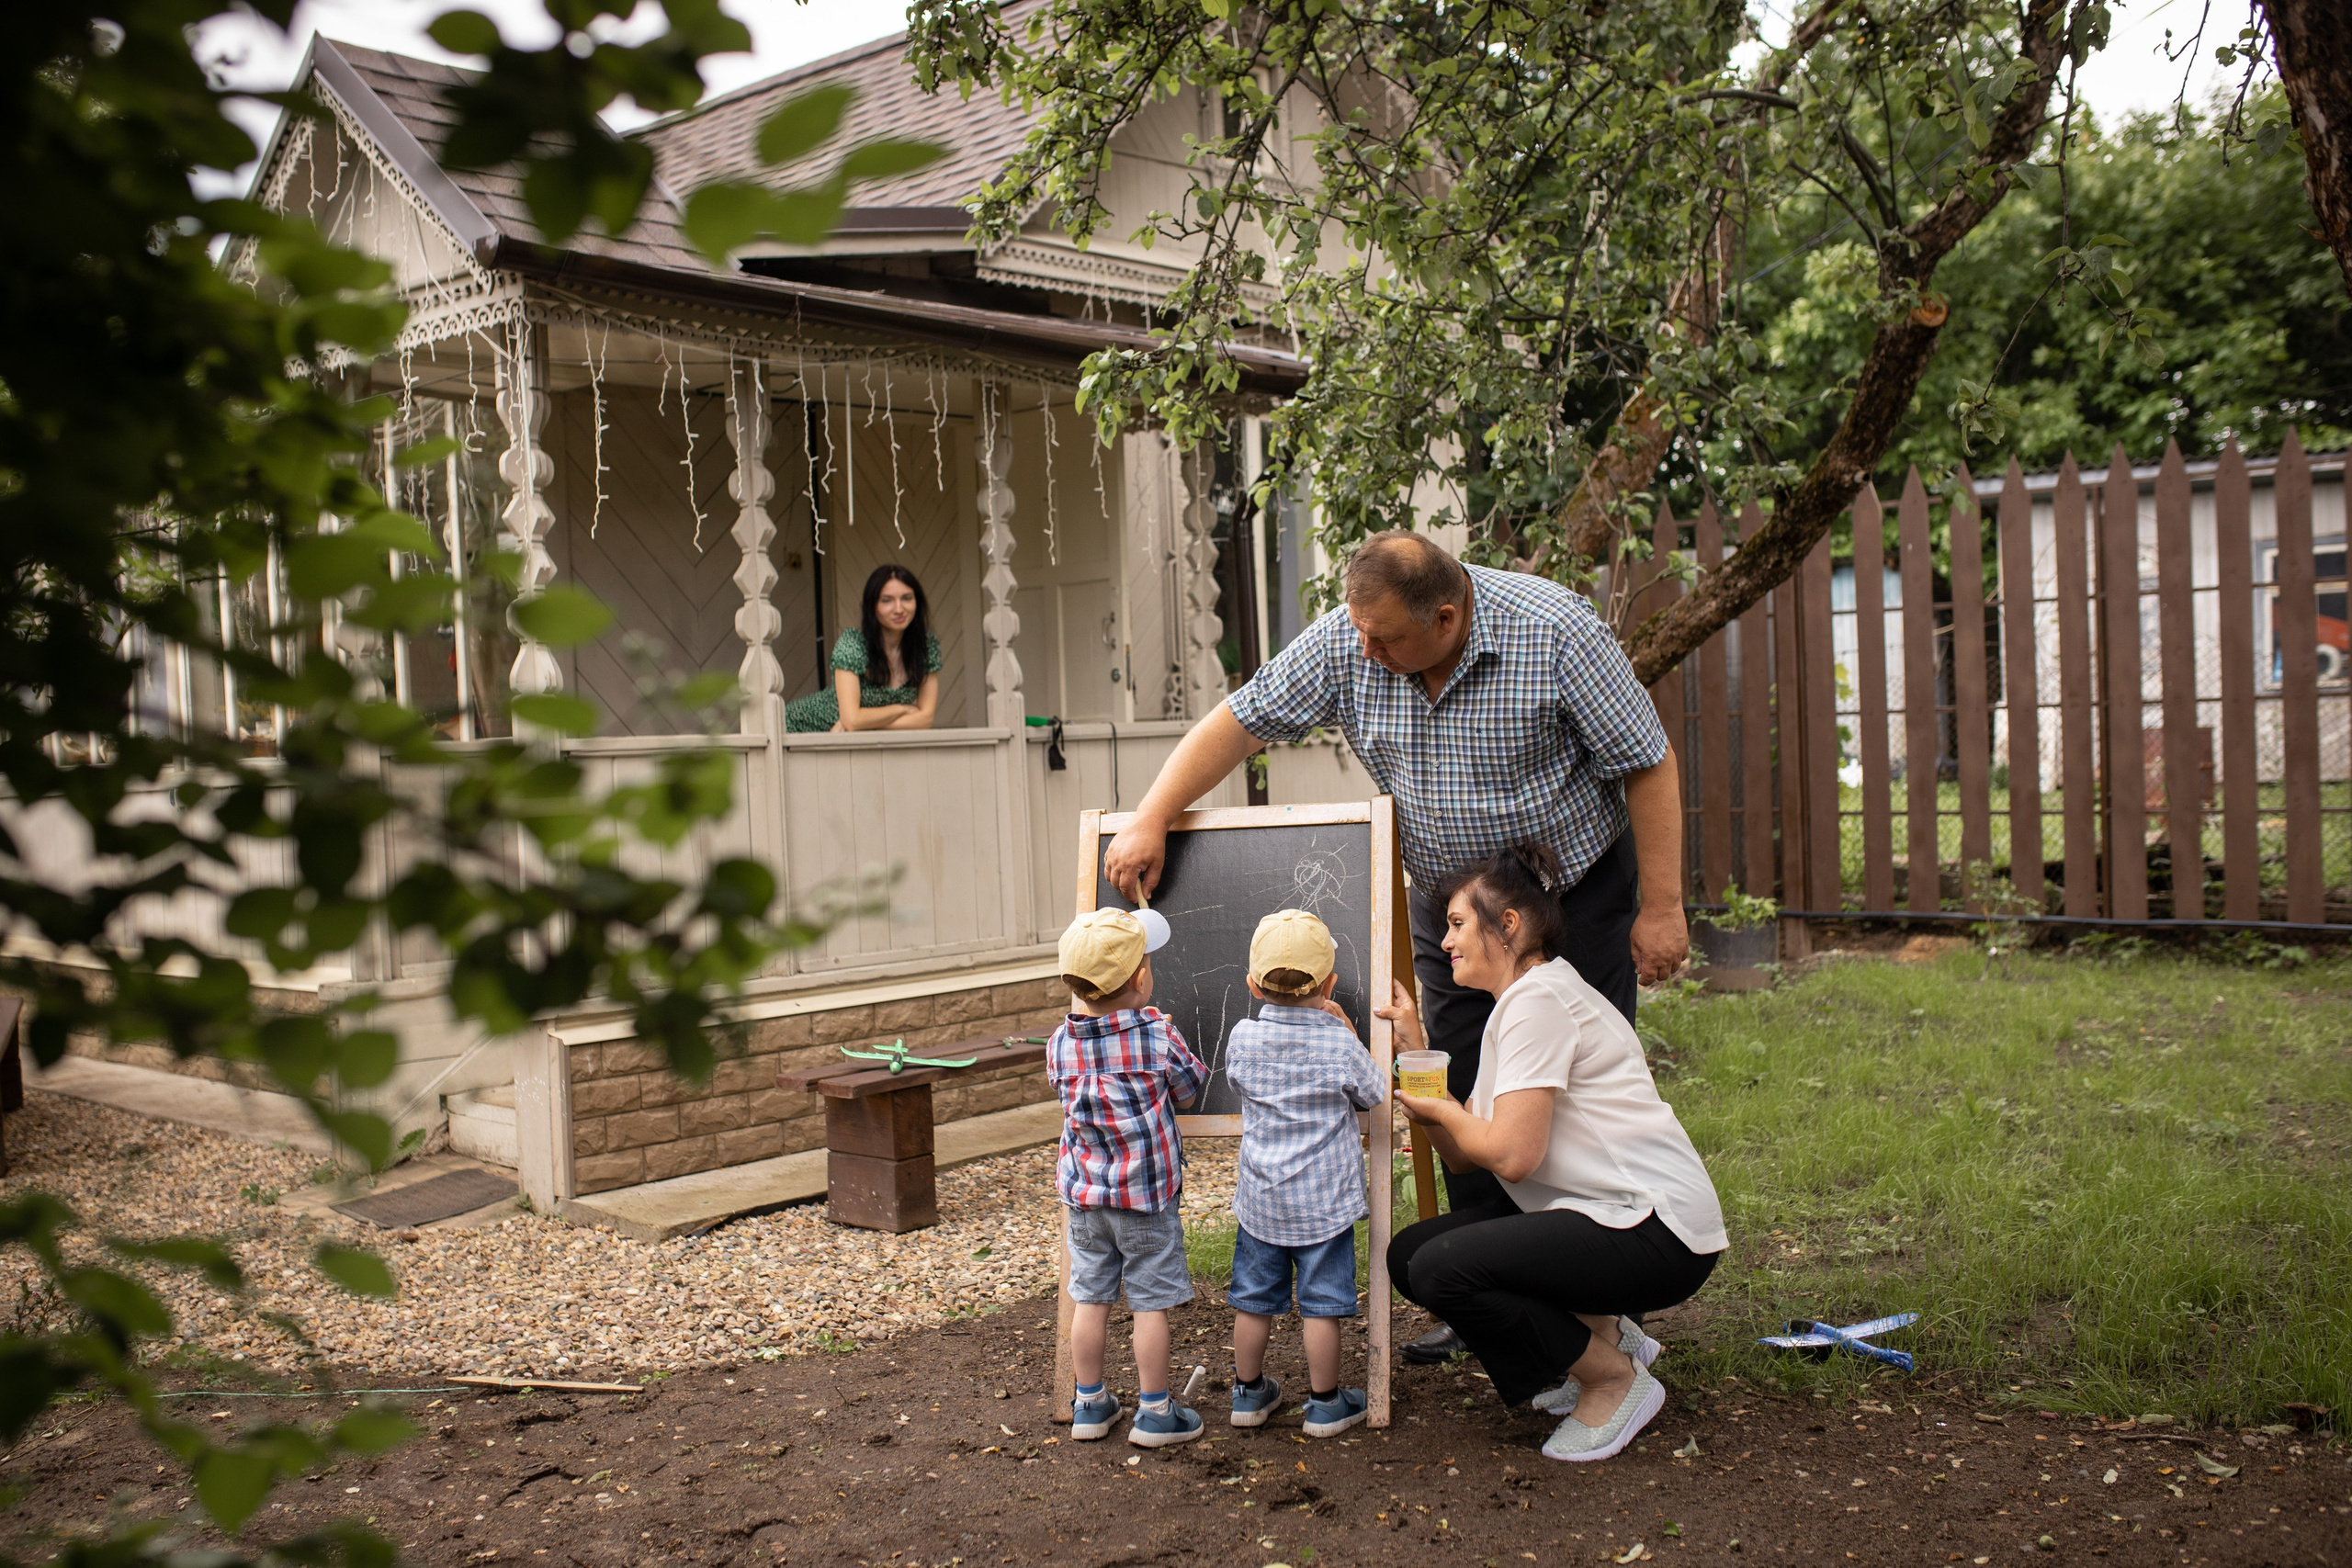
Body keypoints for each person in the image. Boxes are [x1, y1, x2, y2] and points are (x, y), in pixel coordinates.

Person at [1101, 529, 1686, 1362]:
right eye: (1358, 630)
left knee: (1568, 1098)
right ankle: (1492, 1287)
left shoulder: (1555, 631)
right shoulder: (1353, 637)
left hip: (1570, 899)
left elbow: (1647, 760)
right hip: (1451, 902)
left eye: (1383, 638)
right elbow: (1240, 721)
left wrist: (1661, 906)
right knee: (1448, 1077)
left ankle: (1605, 1305)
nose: (1363, 648)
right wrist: (1153, 812)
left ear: (1446, 616)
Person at [1378, 841, 1725, 1463]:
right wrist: (1417, 1048)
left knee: (1441, 1268)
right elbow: (1465, 1157)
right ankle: (1608, 1335)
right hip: (1615, 1216)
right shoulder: (1517, 1005)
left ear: (1507, 924)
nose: (1446, 940)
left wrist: (1448, 1111)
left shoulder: (1538, 1001)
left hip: (1657, 1227)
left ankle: (1612, 1377)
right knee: (1412, 1254)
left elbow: (1512, 1156)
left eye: (1457, 924)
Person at [1221, 908, 1389, 1438]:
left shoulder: (1243, 1038)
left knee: (1253, 1300)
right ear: (1331, 983)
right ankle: (1324, 1403)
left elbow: (1237, 1081)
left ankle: (1247, 1394)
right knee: (1320, 1307)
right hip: (1324, 1203)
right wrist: (1349, 1031)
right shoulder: (1338, 1043)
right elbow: (1375, 1093)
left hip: (1262, 1200)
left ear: (1251, 984)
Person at [1048, 906, 1210, 1449]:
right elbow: (1189, 1089)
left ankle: (1089, 1404)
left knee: (1090, 1297)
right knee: (1148, 1304)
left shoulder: (1059, 1044)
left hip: (1086, 1199)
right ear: (1142, 979)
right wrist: (1161, 1033)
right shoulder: (1158, 1039)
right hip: (1145, 1198)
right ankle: (1156, 1412)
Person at [784, 564, 943, 732]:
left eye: (906, 598)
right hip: (800, 728)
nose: (899, 609)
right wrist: (902, 709)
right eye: (887, 600)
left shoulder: (926, 645)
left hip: (850, 741)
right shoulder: (853, 644)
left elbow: (925, 719)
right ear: (872, 606)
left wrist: (864, 723)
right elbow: (852, 720)